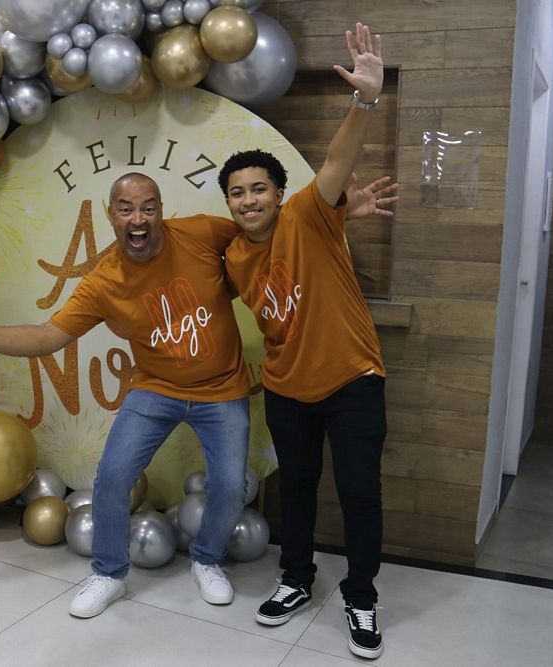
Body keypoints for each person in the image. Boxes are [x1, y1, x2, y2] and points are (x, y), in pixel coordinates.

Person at [0, 172, 251, 619]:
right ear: (111, 215)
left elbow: (257, 241)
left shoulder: (201, 232)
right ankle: (109, 572)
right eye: (126, 209)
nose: (138, 219)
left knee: (229, 485)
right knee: (112, 477)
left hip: (223, 387)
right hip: (156, 388)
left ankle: (207, 559)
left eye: (148, 208)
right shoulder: (104, 280)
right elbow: (47, 336)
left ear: (161, 211)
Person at [219, 22, 388, 660]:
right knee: (295, 488)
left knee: (360, 494)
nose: (248, 200)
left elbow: (339, 160)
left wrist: (365, 98)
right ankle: (295, 579)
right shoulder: (234, 257)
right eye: (237, 193)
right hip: (287, 389)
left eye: (258, 188)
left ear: (279, 193)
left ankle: (361, 596)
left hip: (352, 381)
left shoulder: (309, 214)